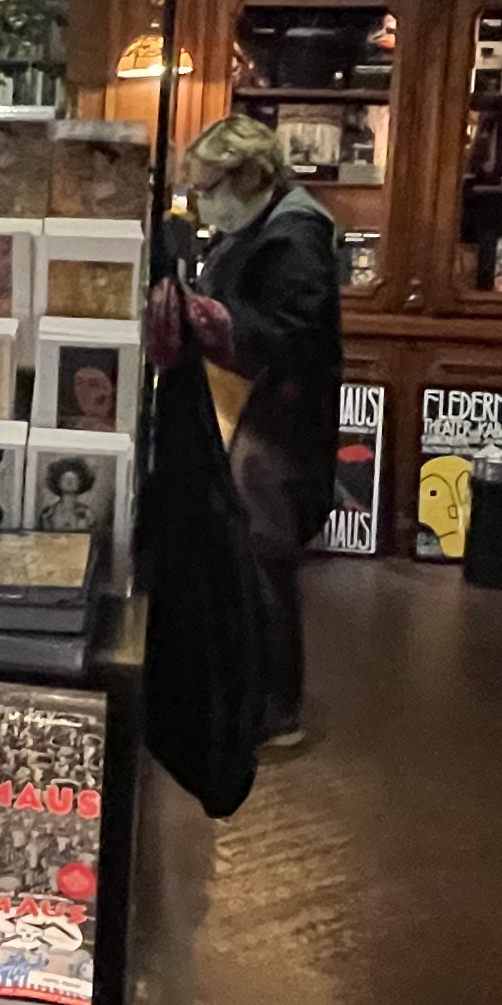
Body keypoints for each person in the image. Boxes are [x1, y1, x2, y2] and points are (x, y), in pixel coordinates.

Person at [153, 112, 341, 751]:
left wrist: (210, 317)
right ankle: (251, 697)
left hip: (276, 430)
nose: (203, 202)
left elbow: (289, 340)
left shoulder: (294, 238)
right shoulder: (272, 224)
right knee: (250, 561)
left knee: (265, 564)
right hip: (254, 419)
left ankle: (276, 711)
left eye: (209, 188)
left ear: (249, 176)